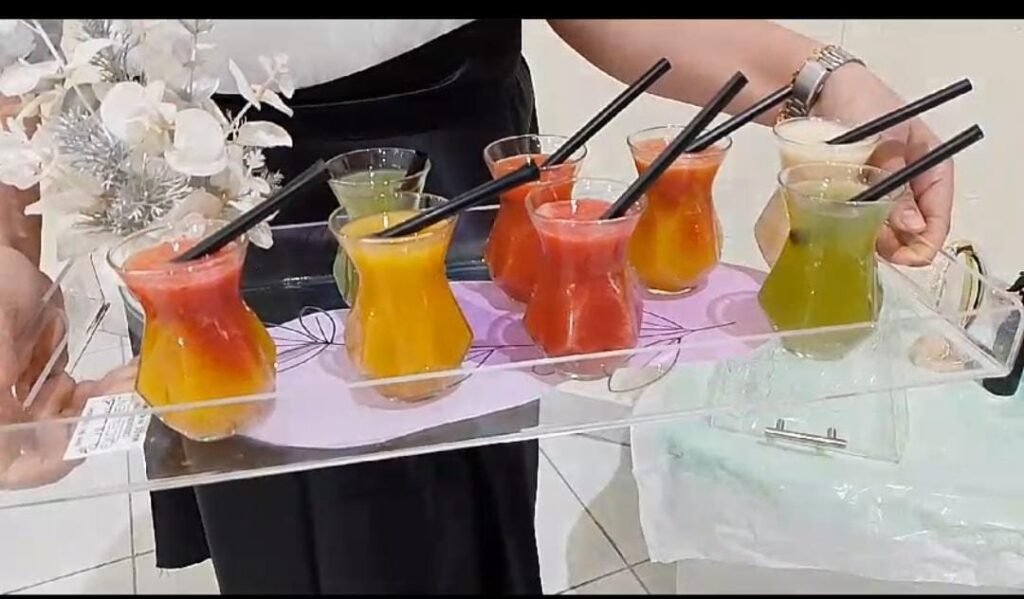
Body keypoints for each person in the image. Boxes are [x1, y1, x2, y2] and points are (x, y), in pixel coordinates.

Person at [0, 19, 954, 594]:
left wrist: (825, 79)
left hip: (444, 169)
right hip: (195, 191)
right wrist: (8, 253)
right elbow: (21, 59)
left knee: (429, 536)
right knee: (266, 524)